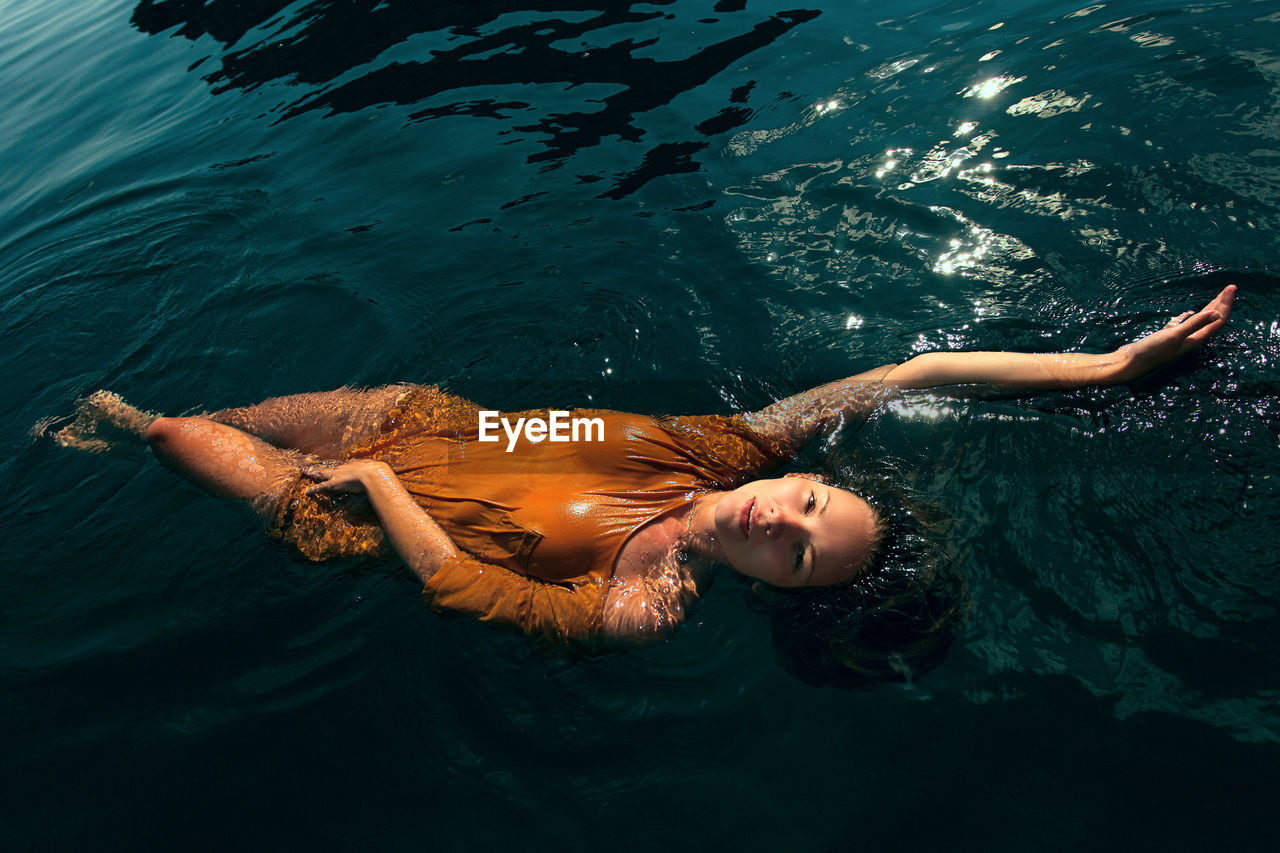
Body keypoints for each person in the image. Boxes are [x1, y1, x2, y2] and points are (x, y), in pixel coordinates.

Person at [54, 286, 1236, 680]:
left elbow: (466, 593)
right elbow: (914, 369)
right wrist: (1106, 365)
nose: (780, 516)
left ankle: (111, 427)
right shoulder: (728, 451)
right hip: (403, 417)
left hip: (349, 506)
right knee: (173, 422)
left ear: (774, 591)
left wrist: (369, 487)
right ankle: (91, 429)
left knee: (164, 432)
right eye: (811, 504)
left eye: (792, 551)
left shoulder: (645, 605)